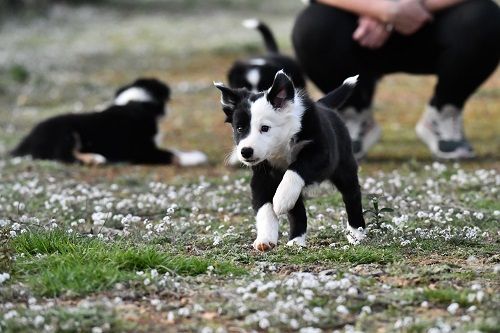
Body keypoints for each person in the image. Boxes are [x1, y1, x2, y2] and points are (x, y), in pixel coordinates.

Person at [292, 0, 500, 160]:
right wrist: (383, 11)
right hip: (357, 27)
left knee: (486, 18)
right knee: (313, 27)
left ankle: (444, 111)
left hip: (434, 19)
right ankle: (353, 114)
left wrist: (407, 7)